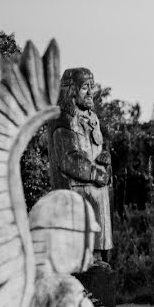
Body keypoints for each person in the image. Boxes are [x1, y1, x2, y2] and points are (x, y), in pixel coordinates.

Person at [48, 68, 113, 262]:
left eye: (91, 87)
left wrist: (105, 159)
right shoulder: (63, 118)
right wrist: (95, 173)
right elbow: (68, 159)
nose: (90, 92)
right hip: (75, 192)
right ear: (71, 90)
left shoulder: (93, 119)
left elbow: (96, 152)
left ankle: (98, 260)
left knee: (99, 255)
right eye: (85, 87)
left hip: (95, 191)